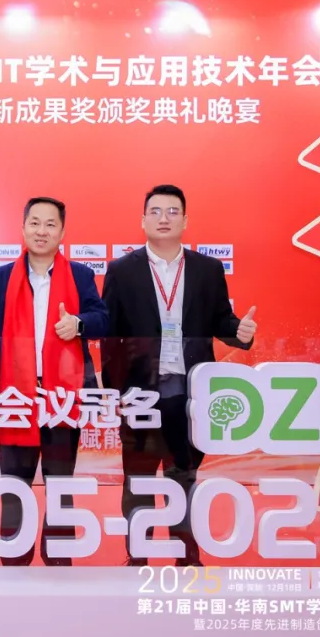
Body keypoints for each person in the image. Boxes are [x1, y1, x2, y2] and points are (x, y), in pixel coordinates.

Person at [101, 184, 257, 567]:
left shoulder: (207, 269)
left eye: (173, 212)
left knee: (183, 477)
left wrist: (240, 331)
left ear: (185, 220)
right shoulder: (122, 271)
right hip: (140, 393)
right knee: (138, 478)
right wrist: (115, 390)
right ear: (143, 220)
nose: (164, 218)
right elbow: (110, 335)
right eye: (155, 211)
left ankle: (186, 556)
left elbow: (221, 321)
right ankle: (138, 556)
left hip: (189, 394)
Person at [0, 197, 109, 566]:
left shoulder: (80, 275)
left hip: (63, 395)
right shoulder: (2, 278)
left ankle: (59, 560)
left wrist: (78, 324)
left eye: (51, 224)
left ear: (62, 232)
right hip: (16, 395)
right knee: (14, 484)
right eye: (35, 223)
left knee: (61, 483)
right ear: (23, 228)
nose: (42, 231)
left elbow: (103, 319)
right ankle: (13, 560)